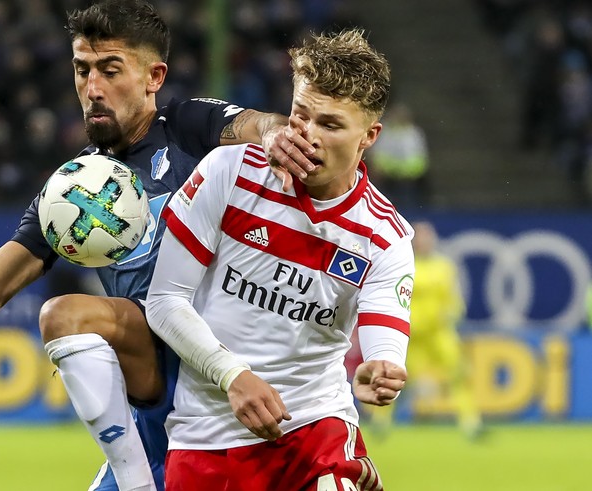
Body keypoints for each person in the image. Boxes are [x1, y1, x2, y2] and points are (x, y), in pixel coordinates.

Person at [0, 1, 316, 490]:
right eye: (81, 70)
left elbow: (255, 124)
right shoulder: (71, 193)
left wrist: (273, 136)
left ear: (153, 78)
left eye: (110, 70)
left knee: (66, 314)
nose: (92, 87)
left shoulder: (187, 129)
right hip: (161, 396)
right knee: (65, 315)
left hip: (235, 373)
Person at [145, 29, 412, 490]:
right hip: (205, 432)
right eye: (300, 116)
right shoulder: (229, 171)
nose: (307, 136)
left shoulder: (384, 235)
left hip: (314, 432)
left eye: (329, 125)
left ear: (370, 136)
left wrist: (382, 367)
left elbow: (384, 338)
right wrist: (233, 376)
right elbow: (165, 301)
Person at [369, 220, 482, 439]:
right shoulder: (404, 263)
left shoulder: (444, 266)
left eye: (427, 237)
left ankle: (471, 423)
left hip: (439, 333)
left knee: (458, 374)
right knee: (395, 377)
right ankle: (380, 422)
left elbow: (454, 298)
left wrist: (453, 313)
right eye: (420, 237)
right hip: (411, 334)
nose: (423, 242)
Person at [366, 102, 429, 210]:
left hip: (410, 177)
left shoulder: (413, 133)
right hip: (387, 176)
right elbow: (377, 151)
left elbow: (418, 154)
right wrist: (378, 167)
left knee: (409, 205)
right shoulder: (386, 131)